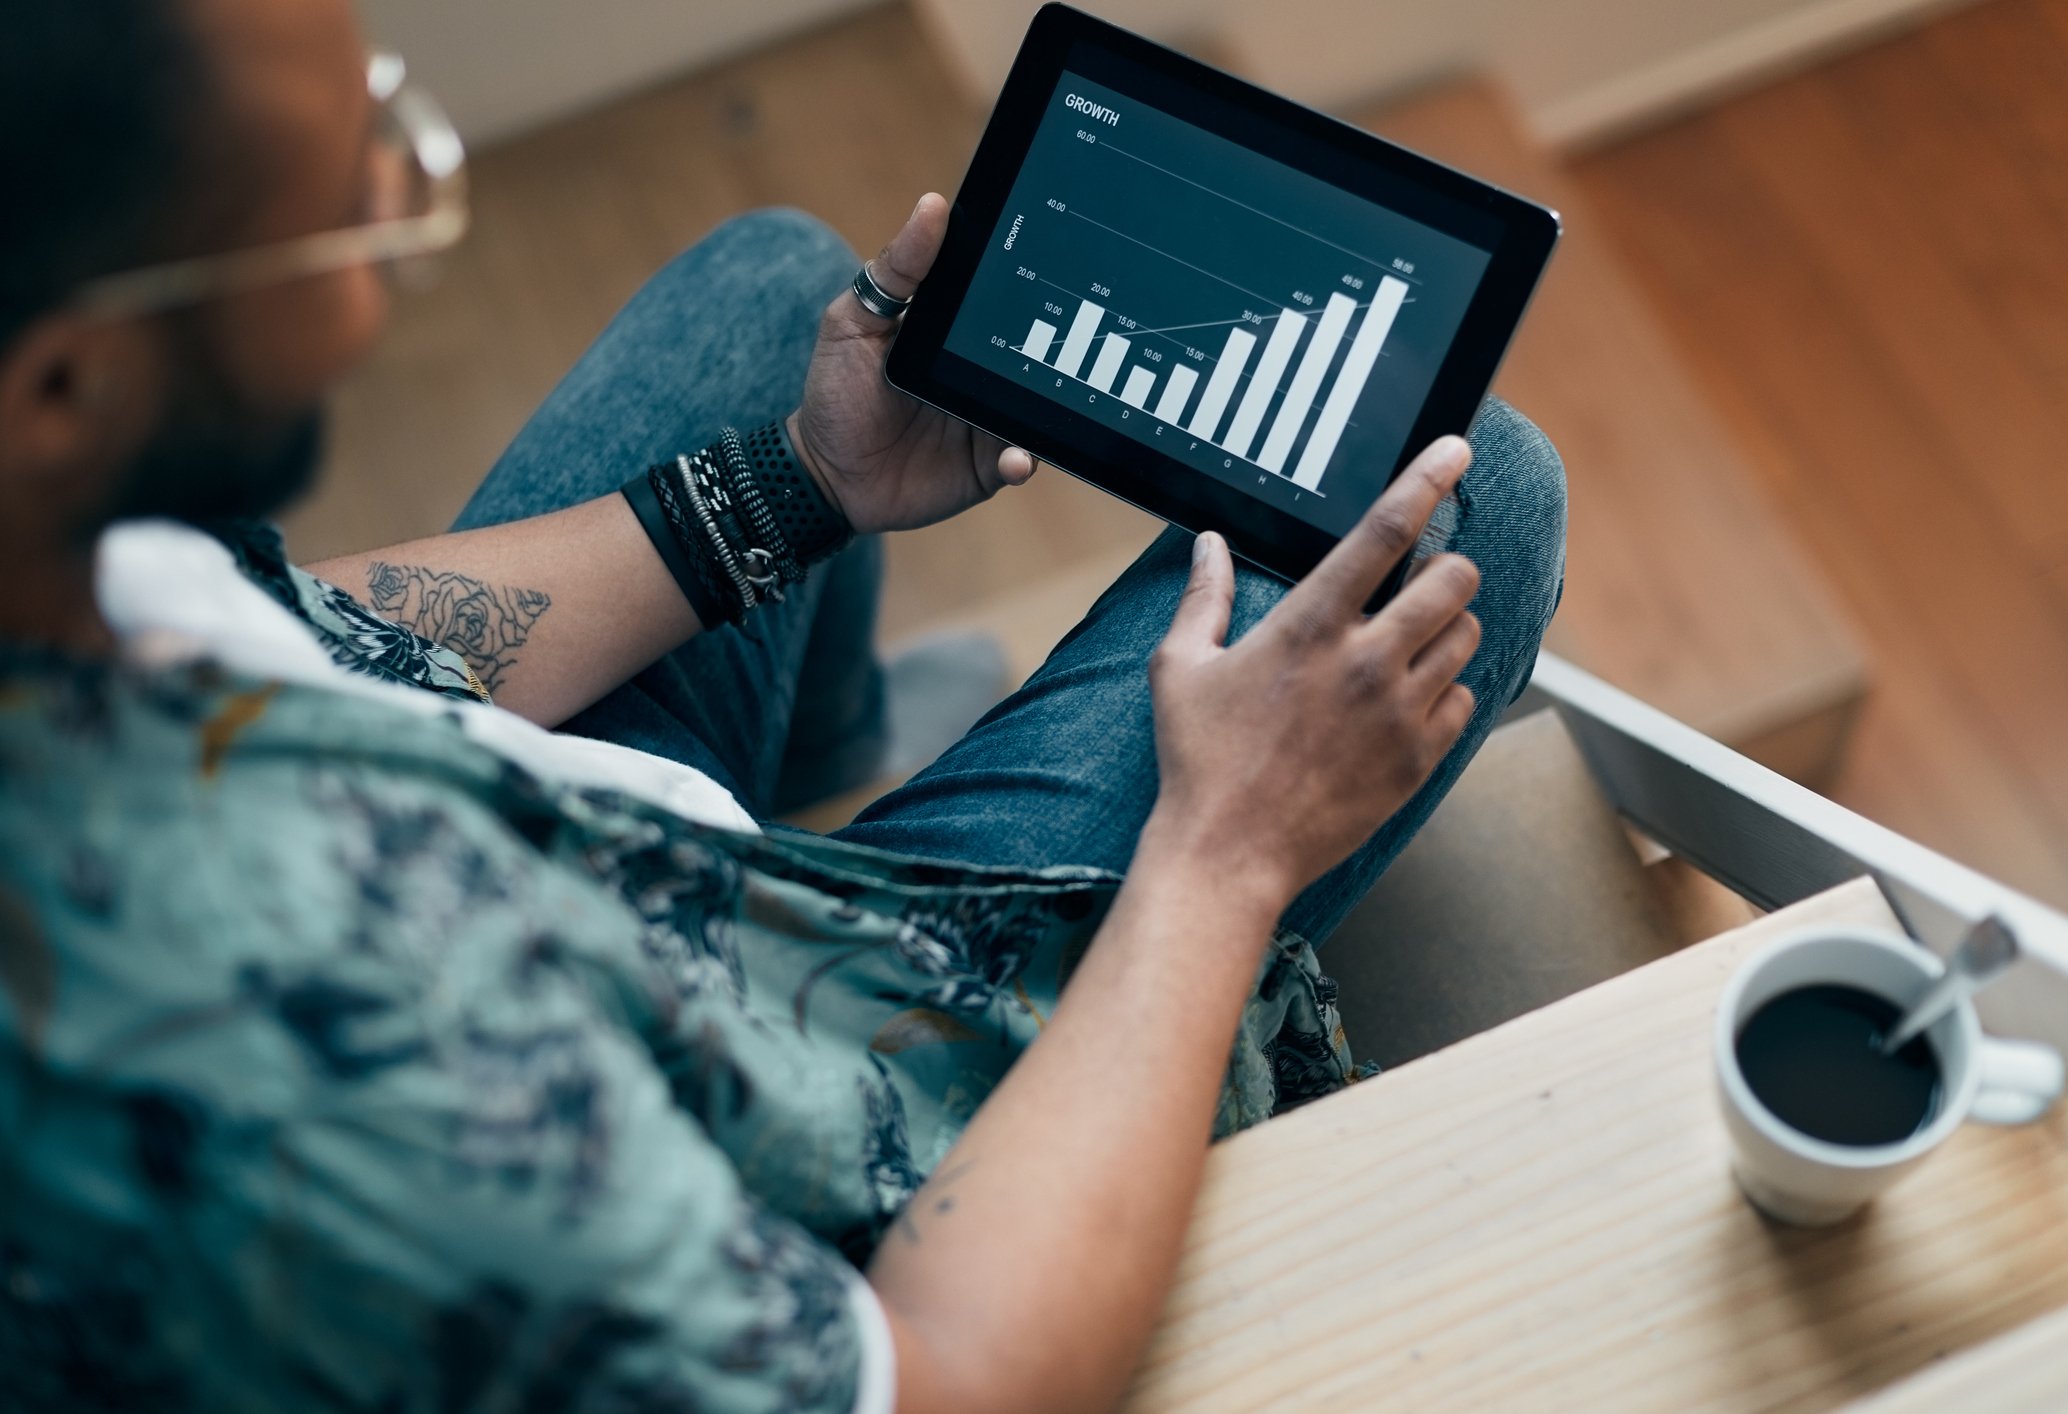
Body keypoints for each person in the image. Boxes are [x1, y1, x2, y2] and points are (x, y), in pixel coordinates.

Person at [0, 0, 1566, 1409]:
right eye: (350, 202)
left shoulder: (58, 534)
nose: (391, 236)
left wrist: (796, 483)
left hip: (597, 869)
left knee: (767, 286)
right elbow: (924, 1381)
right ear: (66, 387)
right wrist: (1224, 849)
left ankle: (823, 774)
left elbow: (295, 637)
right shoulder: (323, 1064)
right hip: (825, 1141)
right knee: (1472, 489)